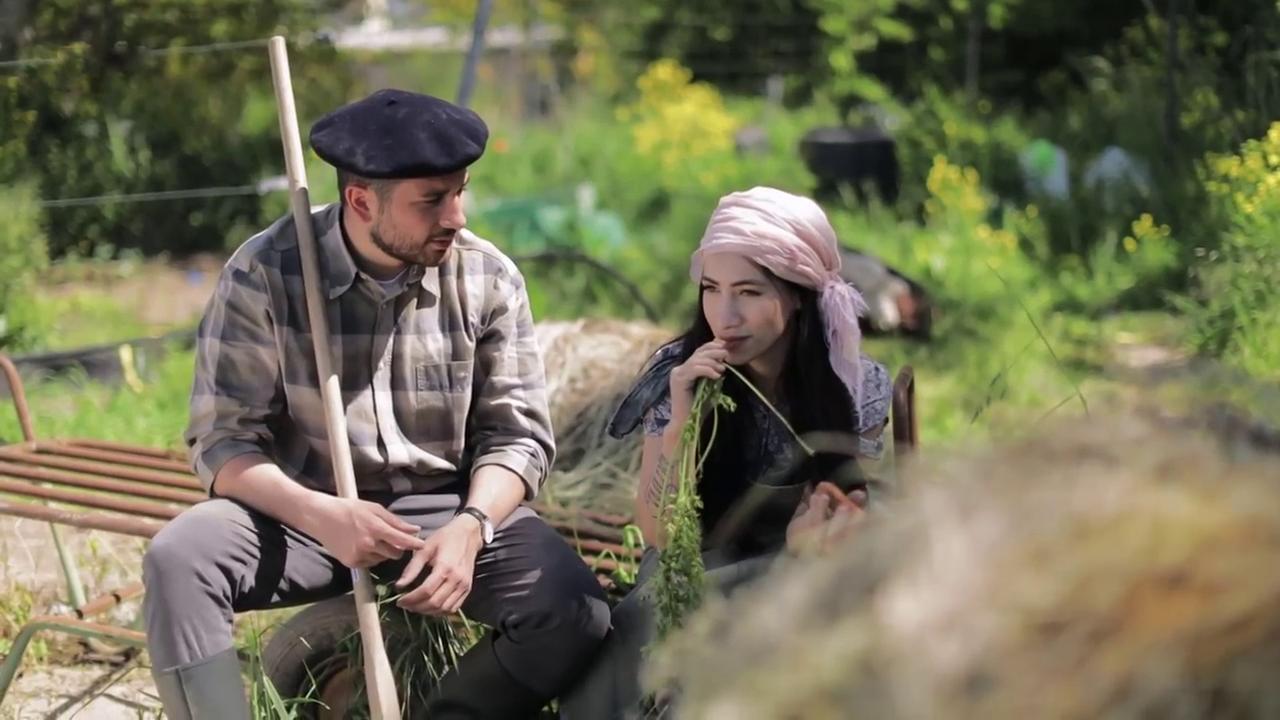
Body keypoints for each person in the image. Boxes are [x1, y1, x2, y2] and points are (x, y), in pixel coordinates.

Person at [142, 89, 609, 719]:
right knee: (179, 559)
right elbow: (222, 444)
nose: (458, 217)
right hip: (303, 511)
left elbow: (517, 438)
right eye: (433, 201)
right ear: (362, 200)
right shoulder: (265, 273)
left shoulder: (486, 278)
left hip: (445, 509)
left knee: (573, 608)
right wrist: (326, 515)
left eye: (461, 191)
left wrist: (471, 529)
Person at [560, 186, 892, 718]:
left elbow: (857, 513)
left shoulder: (854, 383)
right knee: (649, 631)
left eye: (749, 293)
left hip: (797, 565)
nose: (725, 315)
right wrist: (681, 420)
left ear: (799, 296)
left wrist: (819, 532)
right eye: (711, 290)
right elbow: (659, 533)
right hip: (695, 564)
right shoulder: (681, 372)